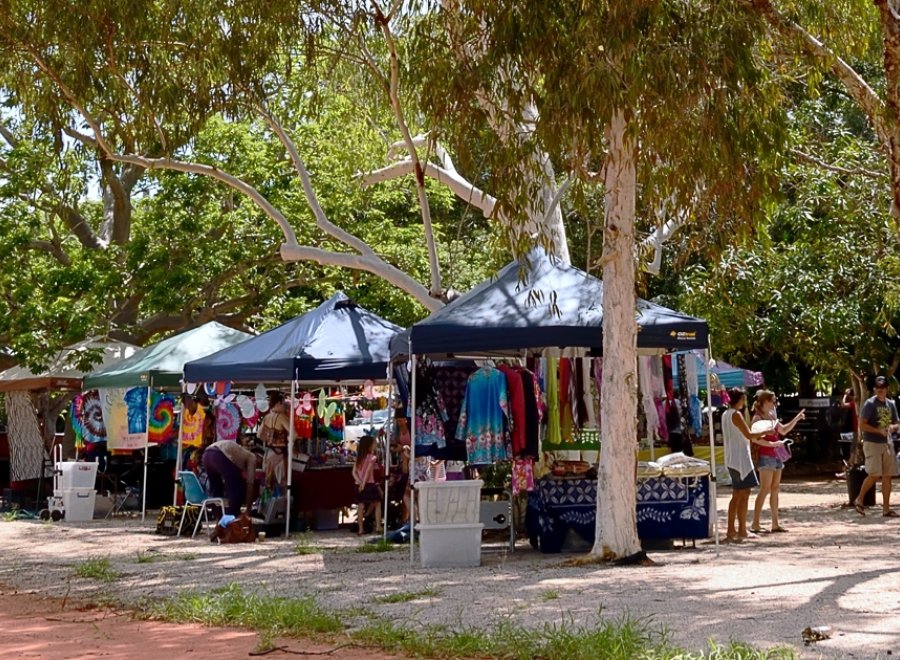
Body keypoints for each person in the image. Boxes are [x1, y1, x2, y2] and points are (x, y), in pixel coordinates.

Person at [750, 389, 804, 533]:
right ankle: (755, 523)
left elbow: (783, 430)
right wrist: (772, 445)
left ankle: (775, 523)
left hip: (776, 455)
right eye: (772, 400)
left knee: (774, 489)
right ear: (766, 401)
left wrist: (796, 418)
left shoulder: (771, 416)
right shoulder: (757, 418)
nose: (774, 403)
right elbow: (755, 439)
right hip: (766, 456)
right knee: (765, 489)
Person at [722, 387, 770, 542]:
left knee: (739, 494)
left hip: (733, 458)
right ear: (739, 399)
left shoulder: (725, 414)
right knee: (741, 495)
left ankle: (736, 529)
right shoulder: (735, 414)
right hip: (740, 459)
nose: (744, 402)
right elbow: (749, 434)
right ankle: (737, 530)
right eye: (743, 399)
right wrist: (765, 432)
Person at [853, 376, 900, 517]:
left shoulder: (891, 404)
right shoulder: (869, 404)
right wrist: (878, 430)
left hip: (887, 443)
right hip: (872, 443)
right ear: (875, 388)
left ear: (887, 389)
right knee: (874, 474)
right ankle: (859, 499)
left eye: (883, 388)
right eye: (878, 388)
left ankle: (886, 509)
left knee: (887, 476)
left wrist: (892, 427)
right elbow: (862, 424)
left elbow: (897, 423)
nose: (880, 390)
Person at [202, 439, 257, 516]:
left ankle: (219, 517)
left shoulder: (240, 454)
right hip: (218, 454)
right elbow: (250, 485)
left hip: (207, 455)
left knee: (216, 489)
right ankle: (231, 518)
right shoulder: (252, 458)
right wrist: (248, 509)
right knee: (237, 489)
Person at [352, 435, 383, 535]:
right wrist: (364, 483)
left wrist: (359, 482)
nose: (375, 445)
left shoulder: (359, 457)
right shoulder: (372, 457)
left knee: (360, 505)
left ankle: (360, 529)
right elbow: (368, 472)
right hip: (369, 483)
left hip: (358, 484)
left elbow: (353, 472)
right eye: (374, 443)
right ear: (369, 446)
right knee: (377, 503)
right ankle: (378, 526)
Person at [260, 391, 291, 490]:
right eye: (283, 403)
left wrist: (269, 438)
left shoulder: (266, 417)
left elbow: (259, 434)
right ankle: (281, 504)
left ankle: (268, 504)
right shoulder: (281, 417)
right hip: (279, 454)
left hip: (268, 453)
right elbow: (294, 434)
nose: (284, 406)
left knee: (268, 482)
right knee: (281, 481)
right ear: (278, 404)